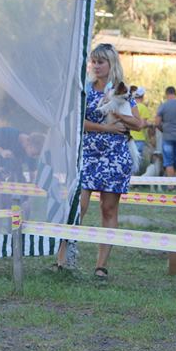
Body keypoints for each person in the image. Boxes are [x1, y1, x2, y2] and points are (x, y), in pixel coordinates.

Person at [55, 43, 143, 278]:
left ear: (111, 64)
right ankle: (62, 258)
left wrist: (117, 114)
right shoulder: (84, 89)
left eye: (100, 62)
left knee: (108, 208)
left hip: (116, 156)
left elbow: (139, 123)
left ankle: (101, 266)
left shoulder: (123, 91)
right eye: (93, 61)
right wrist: (105, 127)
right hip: (88, 154)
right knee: (79, 205)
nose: (95, 66)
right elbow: (76, 121)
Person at [129, 86, 151, 170]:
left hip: (129, 138)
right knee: (137, 162)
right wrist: (148, 124)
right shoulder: (143, 107)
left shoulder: (130, 106)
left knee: (129, 160)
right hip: (139, 138)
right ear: (143, 96)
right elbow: (142, 124)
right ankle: (135, 177)